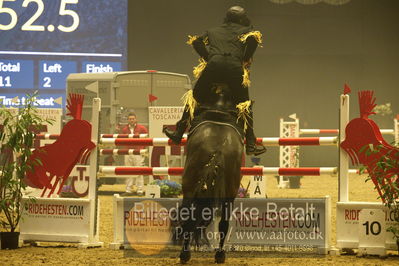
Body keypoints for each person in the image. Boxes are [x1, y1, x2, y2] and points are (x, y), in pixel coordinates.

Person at [163, 6, 266, 156]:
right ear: (242, 19)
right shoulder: (247, 31)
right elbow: (255, 40)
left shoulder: (213, 30)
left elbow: (196, 42)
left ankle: (179, 132)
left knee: (194, 97)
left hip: (214, 66)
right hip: (234, 68)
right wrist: (244, 58)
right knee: (245, 104)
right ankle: (250, 143)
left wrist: (209, 57)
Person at [120, 112, 148, 195]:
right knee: (128, 171)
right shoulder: (124, 129)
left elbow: (147, 140)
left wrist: (142, 149)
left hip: (138, 152)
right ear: (128, 120)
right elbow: (121, 140)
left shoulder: (142, 128)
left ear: (136, 119)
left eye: (133, 119)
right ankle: (128, 190)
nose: (131, 120)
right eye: (130, 119)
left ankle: (140, 190)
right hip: (127, 152)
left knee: (139, 171)